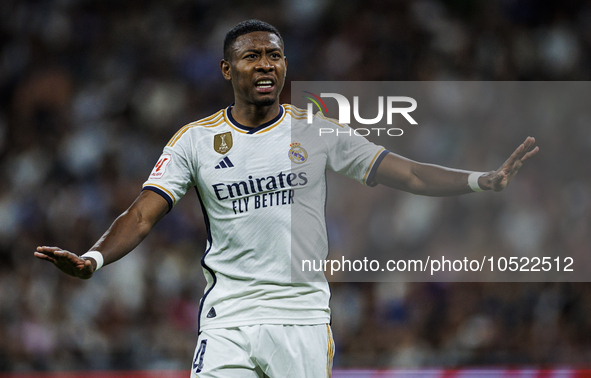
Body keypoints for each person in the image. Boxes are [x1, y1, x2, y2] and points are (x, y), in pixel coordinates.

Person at [35, 20, 538, 377]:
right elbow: (142, 214)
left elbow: (407, 174)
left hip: (301, 318)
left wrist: (480, 180)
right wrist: (94, 259)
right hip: (228, 318)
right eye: (252, 56)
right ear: (227, 70)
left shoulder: (317, 131)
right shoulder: (194, 140)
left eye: (274, 55)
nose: (266, 64)